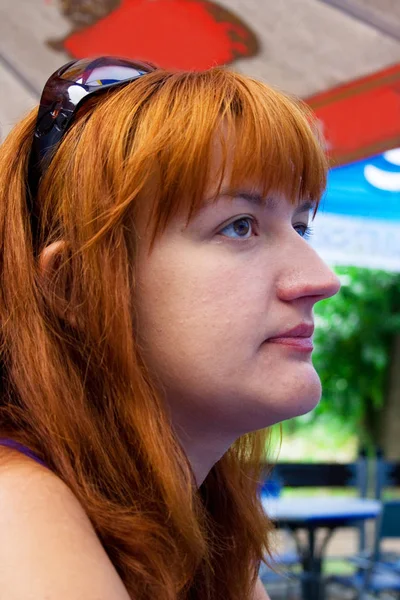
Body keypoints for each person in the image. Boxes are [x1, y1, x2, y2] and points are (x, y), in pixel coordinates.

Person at [0, 56, 340, 600]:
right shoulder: (13, 514)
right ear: (74, 287)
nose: (320, 279)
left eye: (301, 225)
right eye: (239, 225)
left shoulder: (204, 517)